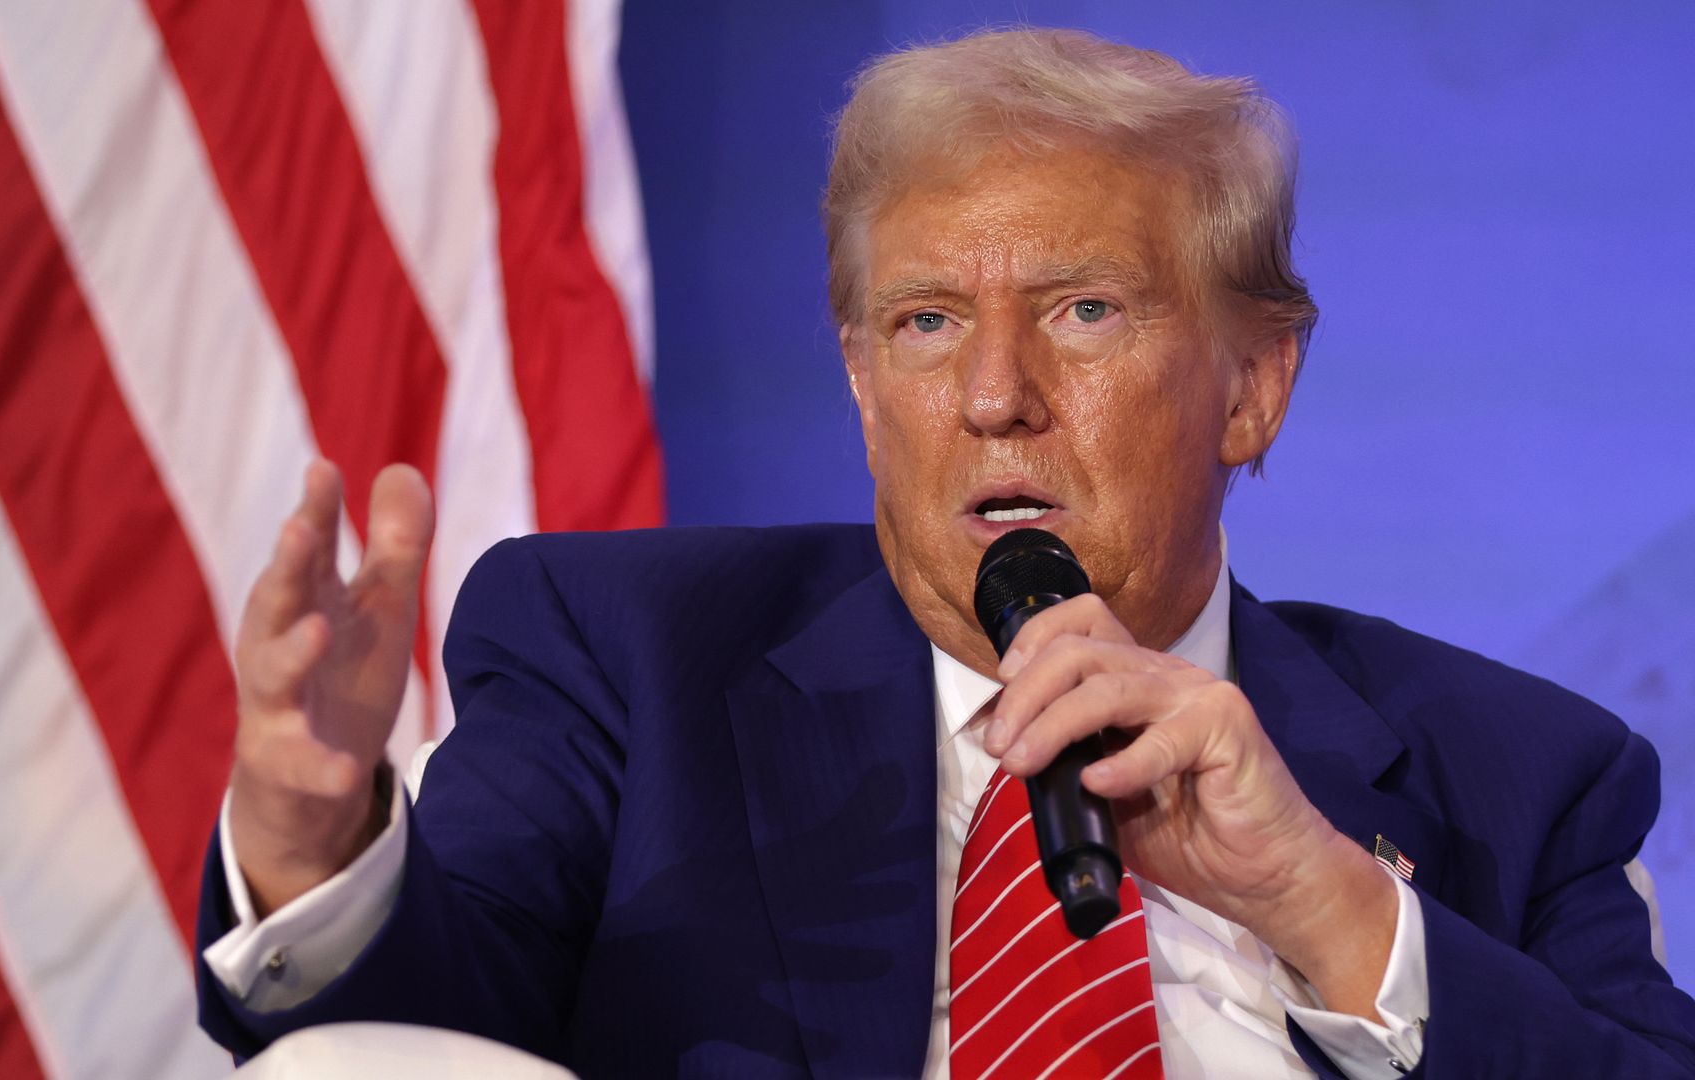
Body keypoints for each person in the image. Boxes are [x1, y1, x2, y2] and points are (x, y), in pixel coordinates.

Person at [195, 27, 1695, 1078]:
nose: (992, 396)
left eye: (1083, 310)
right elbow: (410, 1043)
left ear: (1254, 385)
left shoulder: (1514, 772)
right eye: (924, 323)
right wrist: (314, 846)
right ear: (859, 379)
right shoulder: (625, 658)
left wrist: (1326, 902)